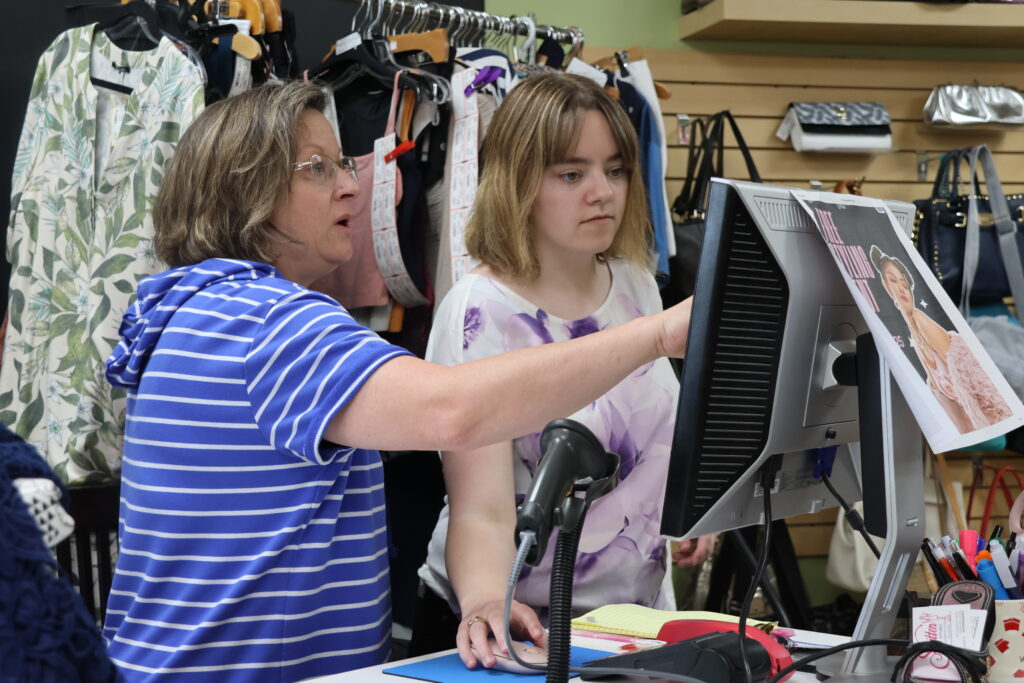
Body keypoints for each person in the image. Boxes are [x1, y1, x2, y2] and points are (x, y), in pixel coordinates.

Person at [100, 80, 693, 682]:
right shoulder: (269, 326)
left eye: (343, 165)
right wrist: (656, 336)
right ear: (244, 186)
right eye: (317, 168)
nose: (352, 184)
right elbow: (453, 413)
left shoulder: (196, 311)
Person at [410, 73, 714, 671]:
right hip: (513, 634)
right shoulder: (479, 313)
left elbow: (658, 432)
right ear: (520, 182)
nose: (602, 191)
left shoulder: (635, 286)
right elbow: (481, 506)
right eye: (572, 174)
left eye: (616, 169)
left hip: (632, 623)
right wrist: (480, 603)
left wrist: (689, 510)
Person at [871, 245, 1012, 432]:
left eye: (905, 283)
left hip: (992, 421)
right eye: (894, 281)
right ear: (886, 288)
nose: (902, 289)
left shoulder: (921, 320)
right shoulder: (913, 336)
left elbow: (974, 377)